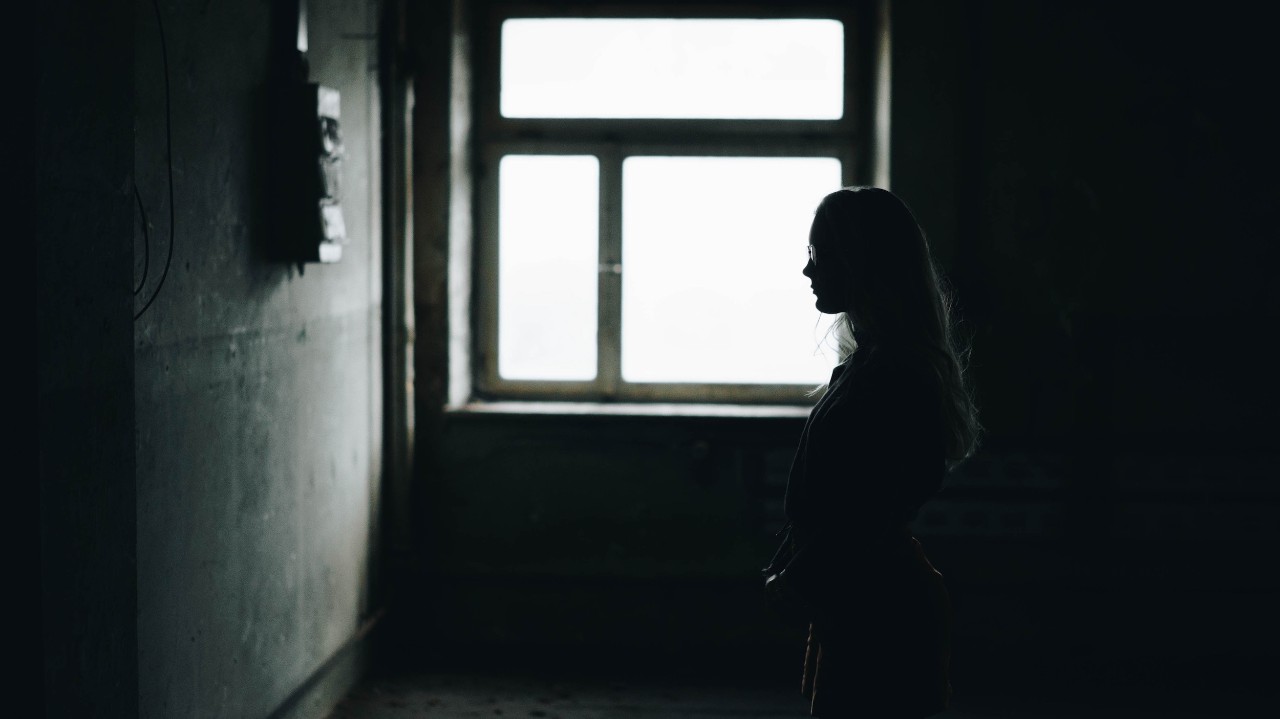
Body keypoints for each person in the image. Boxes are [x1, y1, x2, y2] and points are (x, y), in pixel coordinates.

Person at [762, 186, 981, 718]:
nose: (808, 271)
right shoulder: (876, 368)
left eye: (819, 255)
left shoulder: (890, 377)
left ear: (859, 262)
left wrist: (795, 580)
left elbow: (865, 510)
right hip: (866, 598)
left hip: (877, 609)